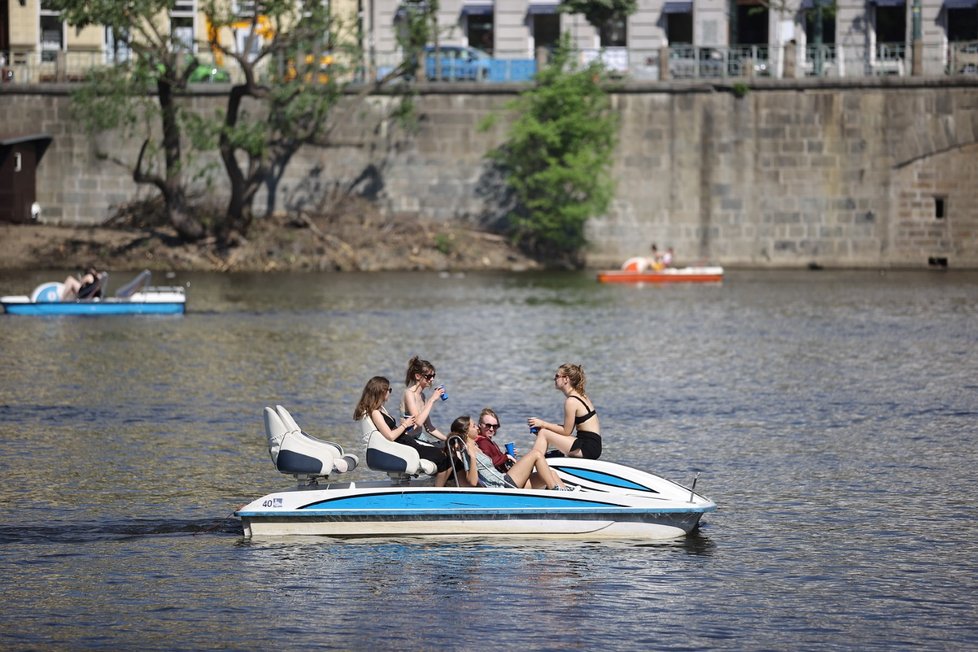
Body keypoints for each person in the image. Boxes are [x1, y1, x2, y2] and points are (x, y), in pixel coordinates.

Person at [355, 375, 452, 486]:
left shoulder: (380, 409)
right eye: (389, 390)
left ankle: (442, 486)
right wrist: (405, 425)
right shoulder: (375, 412)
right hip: (404, 447)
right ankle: (438, 491)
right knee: (443, 457)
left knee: (445, 454)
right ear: (381, 392)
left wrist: (406, 426)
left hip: (408, 443)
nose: (390, 393)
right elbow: (390, 436)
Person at [448, 416, 570, 490]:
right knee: (536, 454)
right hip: (502, 485)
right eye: (473, 426)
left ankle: (568, 500)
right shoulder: (467, 451)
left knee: (551, 474)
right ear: (466, 431)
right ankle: (557, 490)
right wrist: (473, 458)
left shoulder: (475, 445)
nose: (477, 428)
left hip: (504, 481)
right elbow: (473, 482)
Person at [527, 363, 602, 460]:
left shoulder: (571, 401)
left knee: (543, 433)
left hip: (587, 448)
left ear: (566, 379)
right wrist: (543, 427)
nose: (554, 379)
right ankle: (538, 461)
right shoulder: (581, 395)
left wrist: (543, 424)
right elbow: (567, 430)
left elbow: (566, 431)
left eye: (557, 376)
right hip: (591, 445)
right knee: (544, 432)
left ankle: (531, 463)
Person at [400, 356, 448, 445]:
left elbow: (429, 428)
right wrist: (432, 400)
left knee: (447, 447)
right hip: (408, 439)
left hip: (419, 437)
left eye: (433, 376)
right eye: (429, 376)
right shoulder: (409, 394)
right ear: (418, 376)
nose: (432, 379)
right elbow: (418, 422)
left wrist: (448, 439)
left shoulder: (422, 396)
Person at [474, 407, 515, 473]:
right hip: (502, 478)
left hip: (504, 474)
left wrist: (507, 454)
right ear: (480, 425)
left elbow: (497, 459)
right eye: (488, 425)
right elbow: (489, 463)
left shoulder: (487, 441)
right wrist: (507, 457)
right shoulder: (482, 442)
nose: (491, 429)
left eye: (495, 426)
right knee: (534, 455)